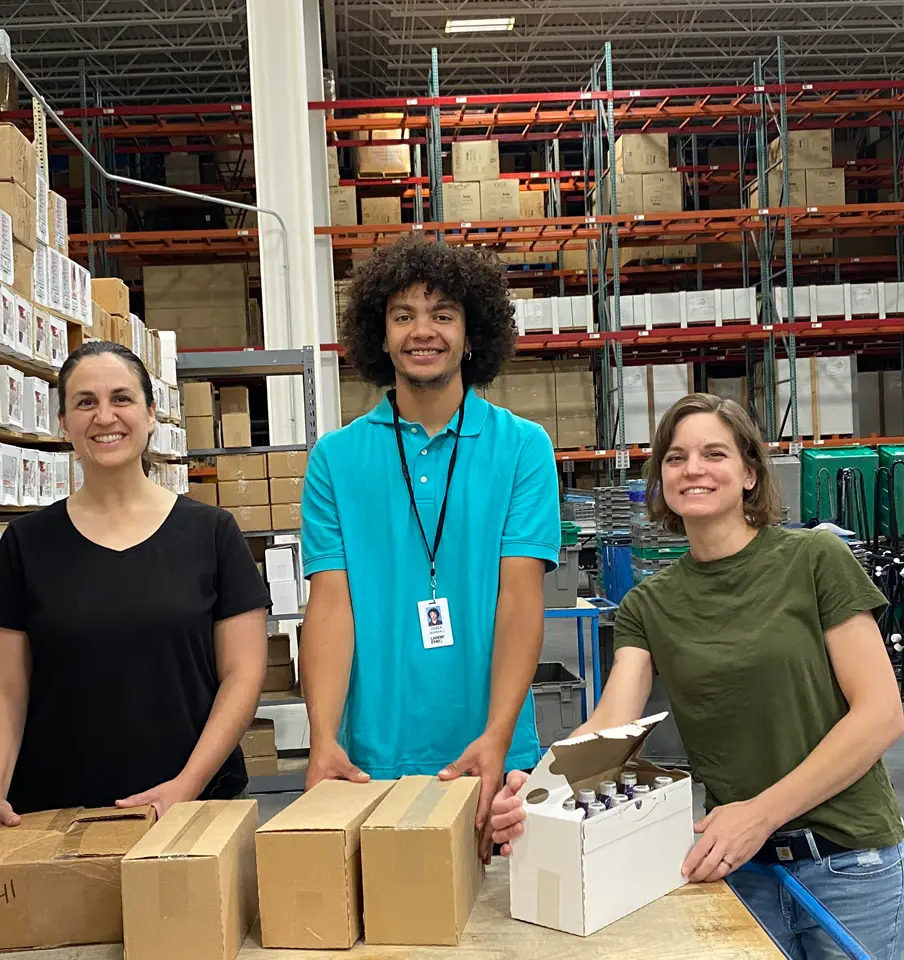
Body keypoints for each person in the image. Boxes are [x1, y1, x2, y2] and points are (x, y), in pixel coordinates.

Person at [490, 392, 904, 959]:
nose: (693, 469)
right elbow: (611, 723)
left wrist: (760, 814)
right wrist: (540, 787)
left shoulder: (814, 560)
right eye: (676, 457)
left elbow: (880, 714)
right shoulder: (649, 605)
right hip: (738, 868)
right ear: (661, 480)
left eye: (714, 453)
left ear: (750, 473)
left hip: (847, 863)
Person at [300, 238, 560, 852]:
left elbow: (520, 601)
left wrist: (498, 736)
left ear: (471, 335)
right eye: (404, 315)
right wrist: (323, 738)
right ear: (381, 335)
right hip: (369, 758)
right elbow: (330, 607)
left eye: (443, 314)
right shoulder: (335, 458)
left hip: (492, 753)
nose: (423, 331)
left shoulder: (523, 448)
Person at [0, 340, 270, 838]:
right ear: (63, 423)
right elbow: (3, 687)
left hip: (194, 810)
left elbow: (243, 674)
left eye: (122, 398)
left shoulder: (212, 533)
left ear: (151, 414)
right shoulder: (26, 544)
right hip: (56, 819)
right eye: (85, 402)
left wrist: (187, 785)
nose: (105, 417)